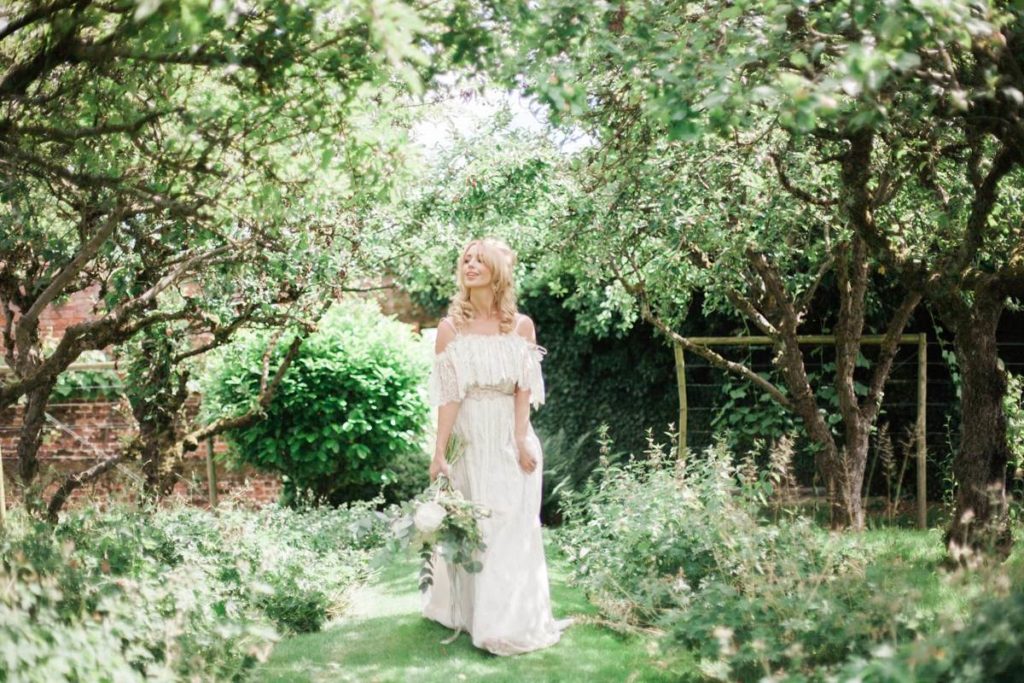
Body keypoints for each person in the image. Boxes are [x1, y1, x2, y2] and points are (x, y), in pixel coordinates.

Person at [422, 237, 567, 655]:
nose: (469, 266)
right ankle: (473, 616)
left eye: (478, 260)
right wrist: (439, 453)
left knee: (510, 524)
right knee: (476, 527)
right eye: (465, 260)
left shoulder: (520, 325)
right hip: (469, 438)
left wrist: (522, 439)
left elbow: (525, 387)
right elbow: (449, 396)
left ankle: (505, 622)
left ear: (496, 271)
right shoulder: (450, 329)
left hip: (508, 434)